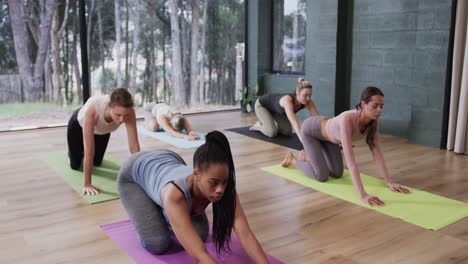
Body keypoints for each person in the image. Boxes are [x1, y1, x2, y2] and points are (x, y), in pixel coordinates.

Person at [117, 131, 269, 263]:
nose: (220, 190)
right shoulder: (175, 195)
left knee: (200, 234)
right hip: (133, 174)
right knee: (157, 243)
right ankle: (156, 205)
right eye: (214, 183)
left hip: (169, 159)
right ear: (196, 174)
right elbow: (199, 256)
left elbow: (246, 234)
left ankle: (168, 211)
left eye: (224, 182)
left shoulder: (220, 184)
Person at [281, 86, 410, 206]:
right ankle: (293, 159)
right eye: (375, 106)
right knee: (321, 175)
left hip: (330, 139)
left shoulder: (373, 125)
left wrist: (389, 182)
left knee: (337, 173)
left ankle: (311, 157)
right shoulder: (347, 119)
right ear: (363, 104)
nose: (379, 110)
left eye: (381, 106)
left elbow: (378, 155)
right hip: (311, 131)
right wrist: (363, 194)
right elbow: (351, 162)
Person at [67, 88, 140, 196]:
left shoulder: (129, 112)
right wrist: (87, 184)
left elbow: (134, 148)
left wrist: (141, 176)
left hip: (102, 130)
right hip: (79, 126)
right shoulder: (92, 110)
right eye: (118, 115)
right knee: (76, 165)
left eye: (126, 115)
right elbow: (89, 152)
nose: (122, 120)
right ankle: (72, 151)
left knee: (97, 162)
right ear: (109, 107)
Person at [249, 77, 319, 143]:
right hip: (262, 106)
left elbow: (317, 119)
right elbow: (294, 122)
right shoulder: (287, 100)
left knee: (287, 131)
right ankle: (258, 126)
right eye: (305, 95)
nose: (308, 98)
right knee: (272, 132)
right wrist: (304, 142)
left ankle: (270, 123)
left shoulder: (308, 102)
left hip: (276, 111)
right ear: (298, 93)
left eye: (310, 95)